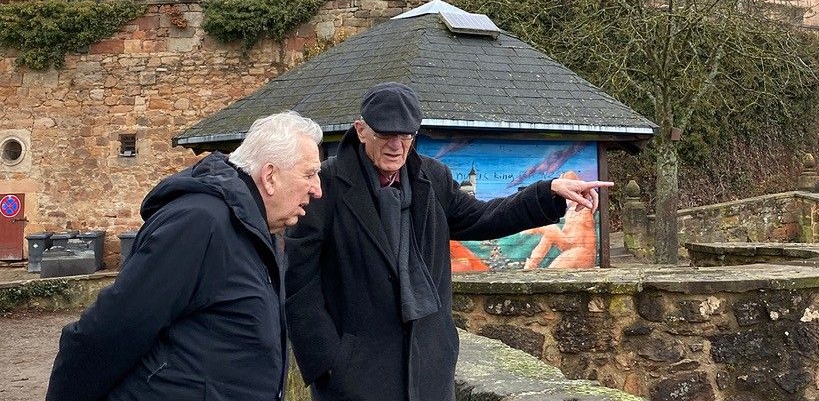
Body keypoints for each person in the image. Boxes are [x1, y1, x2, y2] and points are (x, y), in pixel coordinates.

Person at [286, 82, 611, 401]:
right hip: (355, 375)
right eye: (386, 134)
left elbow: (486, 217)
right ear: (361, 130)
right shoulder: (324, 185)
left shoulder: (434, 178)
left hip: (429, 367)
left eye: (407, 135)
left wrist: (546, 191)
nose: (397, 146)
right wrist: (328, 362)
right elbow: (300, 283)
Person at [46, 111, 324, 401]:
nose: (317, 189)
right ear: (269, 177)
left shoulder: (259, 232)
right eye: (309, 174)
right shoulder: (200, 223)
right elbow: (107, 334)